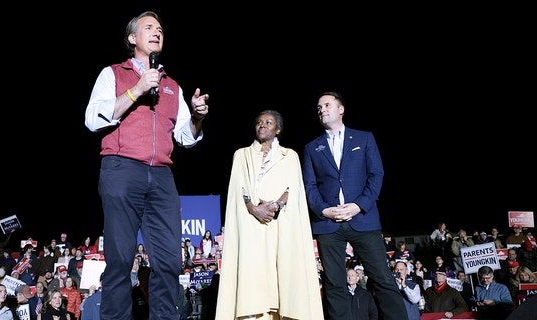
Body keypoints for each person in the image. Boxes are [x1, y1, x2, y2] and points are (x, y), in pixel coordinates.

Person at [83, 10, 209, 320]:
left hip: (162, 176)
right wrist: (137, 89)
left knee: (168, 262)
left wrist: (197, 117)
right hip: (122, 170)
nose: (156, 32)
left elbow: (185, 138)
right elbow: (92, 119)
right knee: (121, 260)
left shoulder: (172, 86)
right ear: (132, 38)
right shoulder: (112, 74)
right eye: (148, 28)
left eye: (160, 29)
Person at [302, 91, 407, 320]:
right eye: (319, 107)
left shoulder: (364, 138)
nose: (321, 109)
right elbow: (309, 186)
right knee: (334, 284)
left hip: (363, 220)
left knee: (382, 278)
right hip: (328, 225)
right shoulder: (312, 148)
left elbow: (376, 175)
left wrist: (359, 206)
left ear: (341, 109)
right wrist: (323, 210)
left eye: (327, 105)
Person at [215, 110, 323, 319]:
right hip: (251, 223)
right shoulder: (242, 155)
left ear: (278, 129)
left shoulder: (289, 155)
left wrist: (276, 205)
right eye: (259, 122)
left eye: (268, 122)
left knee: (284, 267)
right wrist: (253, 208)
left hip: (281, 223)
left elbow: (294, 188)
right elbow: (239, 188)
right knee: (252, 273)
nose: (262, 125)